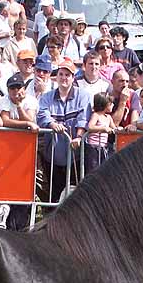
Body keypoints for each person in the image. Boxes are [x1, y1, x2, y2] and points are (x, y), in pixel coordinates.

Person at [36, 57, 90, 203]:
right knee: (54, 194)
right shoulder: (47, 97)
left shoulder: (83, 95)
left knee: (76, 195)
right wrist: (52, 124)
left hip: (76, 156)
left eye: (67, 75)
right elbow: (42, 114)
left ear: (73, 77)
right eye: (61, 74)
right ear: (56, 77)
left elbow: (83, 118)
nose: (64, 78)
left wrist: (78, 137)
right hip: (52, 155)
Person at [83, 91, 116, 174]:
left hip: (103, 147)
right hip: (93, 147)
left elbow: (114, 128)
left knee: (103, 169)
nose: (113, 105)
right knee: (93, 169)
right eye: (111, 103)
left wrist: (121, 129)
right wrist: (103, 128)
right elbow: (90, 127)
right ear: (105, 104)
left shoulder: (108, 117)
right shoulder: (96, 115)